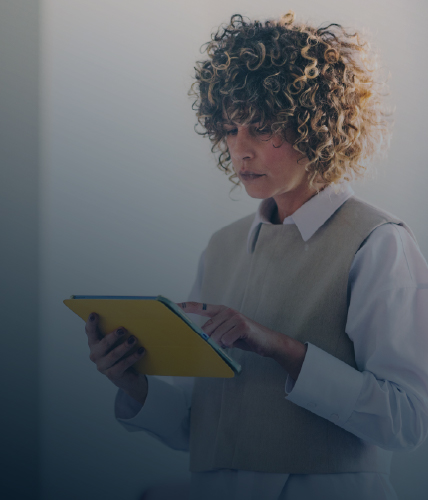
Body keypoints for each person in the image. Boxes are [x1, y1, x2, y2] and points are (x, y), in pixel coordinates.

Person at [85, 11, 428, 500]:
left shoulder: (377, 243)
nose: (239, 151)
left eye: (262, 128)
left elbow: (407, 422)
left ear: (317, 127)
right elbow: (200, 427)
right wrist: (131, 381)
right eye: (229, 128)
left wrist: (281, 348)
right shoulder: (222, 247)